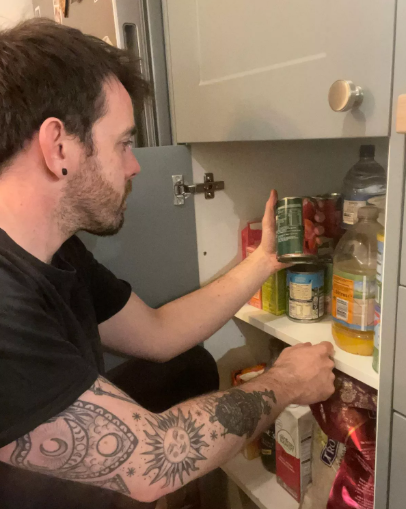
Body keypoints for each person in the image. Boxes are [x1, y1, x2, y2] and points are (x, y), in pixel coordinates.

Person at [0, 18, 335, 505]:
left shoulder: (57, 249)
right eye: (122, 143)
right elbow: (153, 460)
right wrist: (287, 382)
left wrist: (265, 260)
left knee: (189, 367)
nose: (134, 165)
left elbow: (156, 333)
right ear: (59, 148)